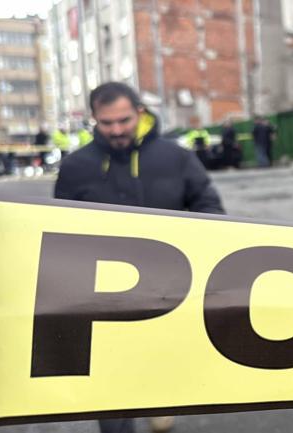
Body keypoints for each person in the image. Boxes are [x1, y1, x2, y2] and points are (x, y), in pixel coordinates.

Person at [54, 82, 224, 433]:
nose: (116, 130)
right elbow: (58, 230)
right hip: (101, 300)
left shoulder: (176, 158)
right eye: (106, 123)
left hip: (168, 291)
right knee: (110, 395)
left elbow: (209, 207)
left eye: (124, 120)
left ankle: (157, 402)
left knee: (158, 368)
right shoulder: (75, 167)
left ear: (140, 113)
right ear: (94, 119)